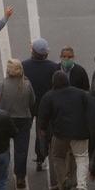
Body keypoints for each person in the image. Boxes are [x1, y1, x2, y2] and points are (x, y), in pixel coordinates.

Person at [39, 71, 95, 190]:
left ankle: (63, 181)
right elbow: (92, 111)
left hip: (61, 133)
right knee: (81, 157)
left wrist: (43, 128)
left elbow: (43, 116)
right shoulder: (81, 94)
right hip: (81, 132)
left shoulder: (49, 96)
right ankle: (82, 184)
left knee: (58, 157)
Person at [0, 59, 36, 189]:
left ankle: (2, 173)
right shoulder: (27, 84)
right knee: (21, 149)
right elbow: (32, 101)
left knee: (4, 147)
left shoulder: (2, 84)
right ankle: (20, 176)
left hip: (6, 119)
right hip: (23, 119)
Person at [22, 38, 60, 173]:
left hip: (28, 104)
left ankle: (21, 161)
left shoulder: (24, 66)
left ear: (33, 51)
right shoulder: (54, 67)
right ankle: (40, 157)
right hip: (45, 105)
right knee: (42, 131)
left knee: (24, 133)